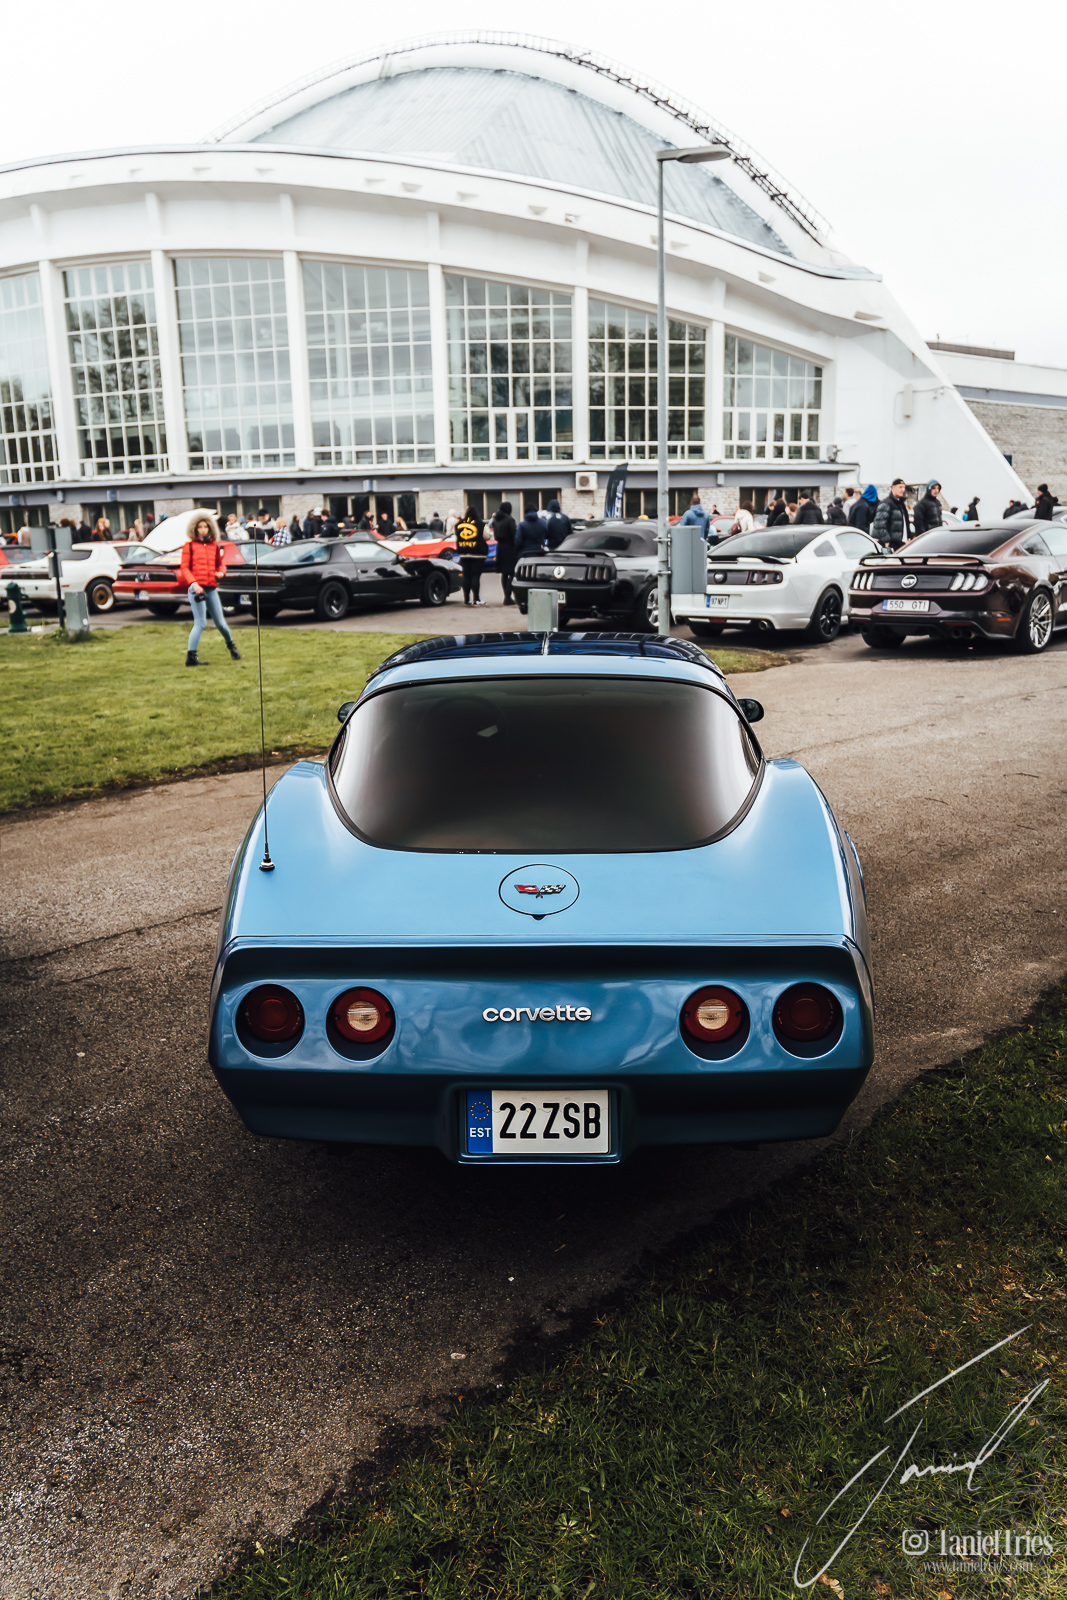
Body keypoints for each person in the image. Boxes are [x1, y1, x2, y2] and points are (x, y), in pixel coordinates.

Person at [179, 513, 241, 666]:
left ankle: (232, 647)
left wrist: (221, 573)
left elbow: (220, 565)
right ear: (194, 529)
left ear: (210, 528)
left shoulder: (214, 546)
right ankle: (191, 657)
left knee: (221, 623)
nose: (203, 530)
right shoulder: (189, 546)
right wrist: (194, 584)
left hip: (211, 589)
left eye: (205, 527)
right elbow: (184, 568)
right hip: (196, 590)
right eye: (200, 527)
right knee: (200, 623)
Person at [455, 505, 488, 606]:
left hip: (463, 553)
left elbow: (457, 535)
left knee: (466, 576)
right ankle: (476, 599)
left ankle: (466, 599)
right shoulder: (481, 524)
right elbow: (487, 536)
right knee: (475, 576)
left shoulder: (459, 524)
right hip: (478, 554)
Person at [872, 478, 912, 549]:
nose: (902, 490)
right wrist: (886, 541)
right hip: (891, 545)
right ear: (893, 488)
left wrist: (908, 537)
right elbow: (879, 525)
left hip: (901, 543)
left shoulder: (901, 504)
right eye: (900, 487)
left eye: (904, 487)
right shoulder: (886, 504)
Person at [492, 500, 518, 604]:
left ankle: (506, 596)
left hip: (500, 547)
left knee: (504, 573)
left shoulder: (495, 520)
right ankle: (508, 596)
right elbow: (514, 535)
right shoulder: (509, 520)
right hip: (510, 548)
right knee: (512, 572)